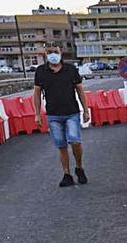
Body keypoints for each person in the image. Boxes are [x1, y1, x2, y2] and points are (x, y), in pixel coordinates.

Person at [32, 45, 90, 187]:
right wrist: (37, 113)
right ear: (46, 54)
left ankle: (79, 167)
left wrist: (86, 110)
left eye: (55, 52)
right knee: (61, 145)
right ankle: (66, 174)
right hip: (53, 114)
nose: (53, 55)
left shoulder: (70, 70)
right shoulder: (41, 71)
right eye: (50, 52)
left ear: (60, 53)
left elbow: (80, 90)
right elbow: (37, 93)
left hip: (71, 112)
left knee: (75, 141)